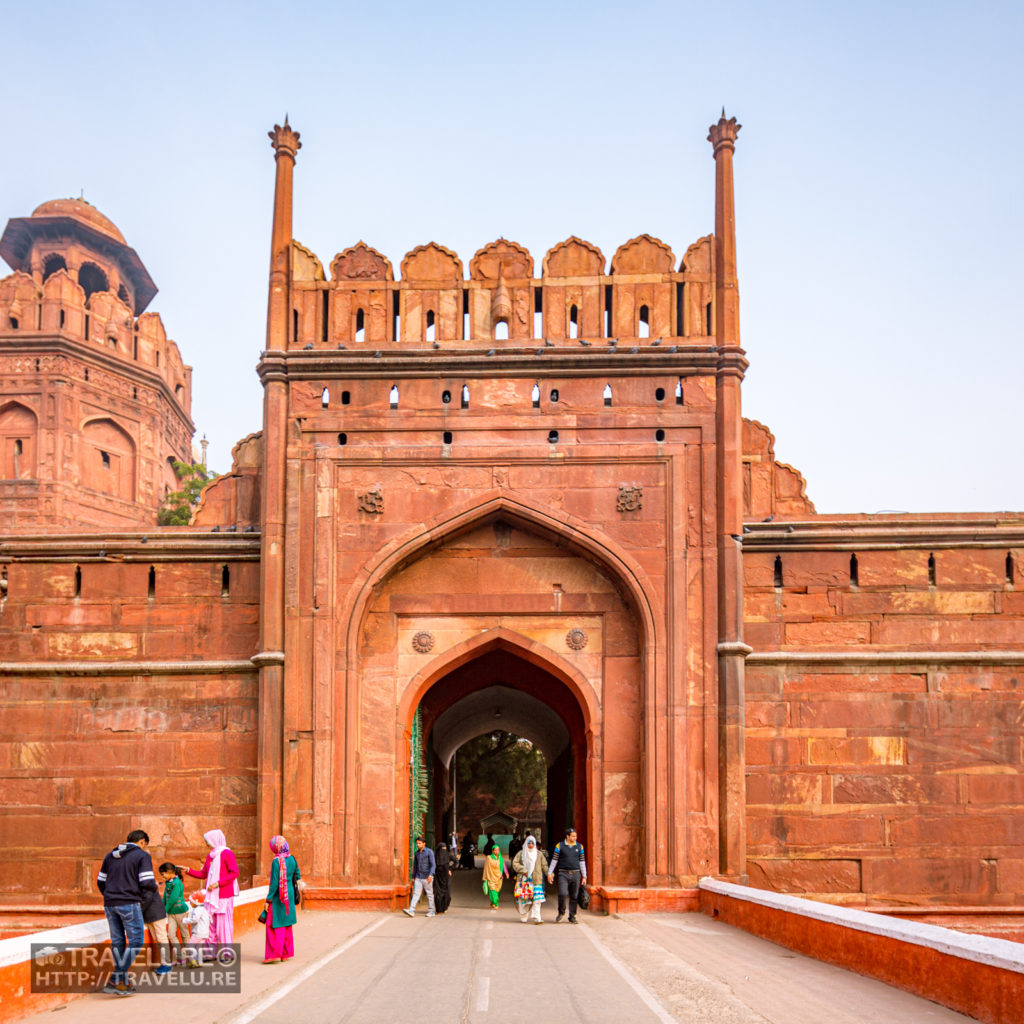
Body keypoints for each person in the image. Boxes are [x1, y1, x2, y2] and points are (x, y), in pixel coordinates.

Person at [97, 828, 160, 996]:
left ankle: (122, 983)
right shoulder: (141, 855)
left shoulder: (110, 856)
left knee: (118, 941)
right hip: (129, 902)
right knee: (136, 941)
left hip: (110, 903)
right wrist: (155, 887)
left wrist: (111, 896)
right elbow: (146, 881)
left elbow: (100, 881)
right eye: (144, 845)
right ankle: (116, 978)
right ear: (142, 842)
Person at [181, 829, 239, 951]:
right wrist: (188, 870)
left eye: (207, 841)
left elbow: (234, 873)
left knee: (223, 927)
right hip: (211, 896)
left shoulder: (227, 854)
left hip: (223, 895)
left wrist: (218, 883)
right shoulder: (211, 855)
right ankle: (209, 952)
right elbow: (203, 874)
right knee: (209, 925)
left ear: (215, 840)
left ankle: (227, 953)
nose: (206, 844)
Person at [262, 834, 301, 963]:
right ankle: (286, 953)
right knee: (286, 923)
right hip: (288, 893)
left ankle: (274, 954)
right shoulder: (292, 859)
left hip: (279, 896)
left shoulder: (276, 861)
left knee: (274, 923)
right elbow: (298, 875)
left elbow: (274, 883)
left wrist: (268, 900)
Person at [547, 827, 587, 923]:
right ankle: (561, 912)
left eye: (576, 836)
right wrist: (549, 873)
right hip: (563, 873)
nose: (575, 838)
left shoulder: (579, 847)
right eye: (573, 836)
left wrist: (584, 876)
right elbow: (554, 860)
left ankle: (572, 916)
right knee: (562, 893)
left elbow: (582, 862)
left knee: (574, 896)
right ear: (567, 836)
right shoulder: (559, 846)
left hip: (576, 874)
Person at [512, 834, 549, 924]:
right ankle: (524, 915)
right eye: (529, 843)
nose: (531, 845)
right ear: (526, 843)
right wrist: (523, 870)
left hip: (536, 881)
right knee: (524, 899)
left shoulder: (539, 854)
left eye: (533, 843)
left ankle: (537, 917)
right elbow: (515, 863)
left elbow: (544, 865)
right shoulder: (521, 854)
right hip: (524, 881)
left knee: (537, 899)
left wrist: (549, 874)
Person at [159, 863, 190, 965]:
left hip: (181, 912)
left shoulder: (177, 883)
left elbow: (173, 898)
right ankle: (180, 956)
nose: (162, 877)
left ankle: (188, 955)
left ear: (169, 872)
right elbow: (165, 897)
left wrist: (164, 909)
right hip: (171, 913)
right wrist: (163, 908)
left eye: (163, 874)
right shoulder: (168, 882)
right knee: (171, 935)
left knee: (184, 934)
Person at [402, 836, 436, 917]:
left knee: (429, 894)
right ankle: (411, 910)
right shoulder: (416, 853)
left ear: (424, 844)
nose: (418, 845)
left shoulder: (429, 852)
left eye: (419, 843)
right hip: (418, 877)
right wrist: (413, 877)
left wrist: (431, 875)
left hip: (427, 877)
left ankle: (431, 911)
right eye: (417, 843)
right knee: (416, 894)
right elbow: (415, 865)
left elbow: (433, 865)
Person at [481, 844, 507, 911]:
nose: (496, 851)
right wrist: (484, 877)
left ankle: (493, 902)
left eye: (498, 850)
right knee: (493, 891)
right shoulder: (489, 858)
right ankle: (496, 904)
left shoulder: (501, 858)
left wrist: (506, 873)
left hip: (499, 878)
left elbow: (504, 866)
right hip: (491, 877)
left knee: (497, 891)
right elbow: (486, 868)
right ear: (492, 851)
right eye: (495, 850)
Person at [432, 842, 453, 913]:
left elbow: (455, 860)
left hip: (446, 877)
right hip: (437, 877)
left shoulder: (448, 854)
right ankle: (439, 909)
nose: (443, 851)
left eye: (445, 849)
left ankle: (445, 907)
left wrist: (450, 868)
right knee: (437, 893)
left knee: (446, 893)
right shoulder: (435, 856)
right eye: (442, 849)